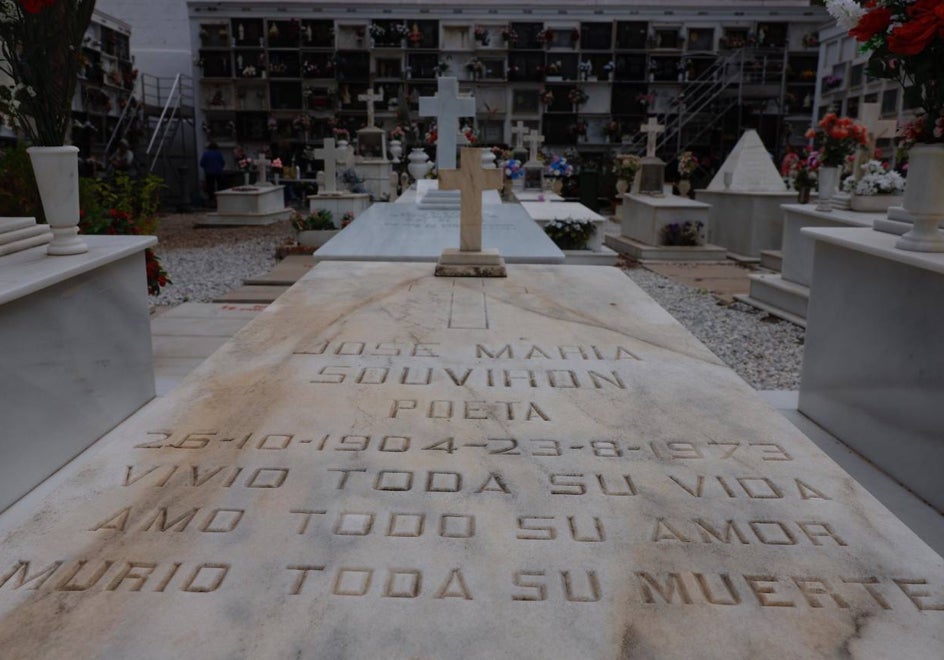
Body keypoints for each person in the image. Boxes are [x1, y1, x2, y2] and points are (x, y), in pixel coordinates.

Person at [200, 142, 226, 207]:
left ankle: (211, 200)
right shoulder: (218, 153)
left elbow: (202, 163)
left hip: (209, 172)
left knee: (210, 187)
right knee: (220, 186)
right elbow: (223, 162)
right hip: (218, 172)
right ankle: (220, 200)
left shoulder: (206, 154)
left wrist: (207, 167)